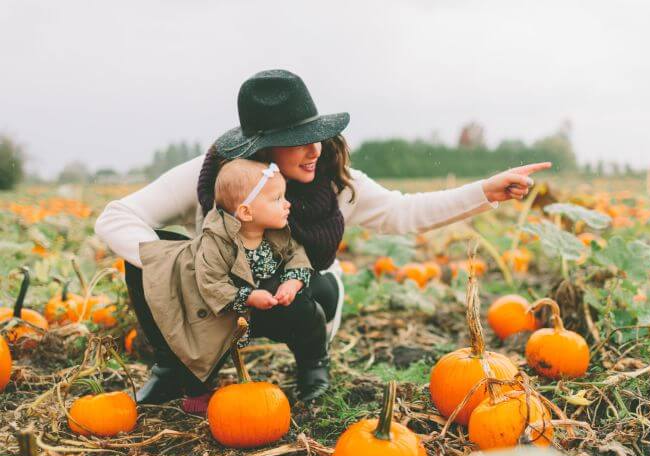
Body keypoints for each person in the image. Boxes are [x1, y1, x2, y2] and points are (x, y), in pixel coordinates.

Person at [94, 69, 551, 408]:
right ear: (262, 146)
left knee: (313, 287)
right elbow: (116, 218)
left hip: (296, 296)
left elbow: (402, 211)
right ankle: (173, 368)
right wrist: (189, 267)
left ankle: (312, 364)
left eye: (315, 135)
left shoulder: (333, 184)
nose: (315, 148)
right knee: (152, 254)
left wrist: (484, 191)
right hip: (220, 298)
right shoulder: (214, 175)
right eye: (298, 140)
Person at [137, 159, 314, 412]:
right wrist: (248, 297)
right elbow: (210, 283)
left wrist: (293, 281)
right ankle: (197, 388)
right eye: (277, 199)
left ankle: (313, 364)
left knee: (306, 315)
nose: (287, 204)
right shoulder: (216, 242)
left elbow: (296, 254)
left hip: (254, 311)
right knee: (201, 346)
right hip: (213, 308)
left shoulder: (276, 232)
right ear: (246, 212)